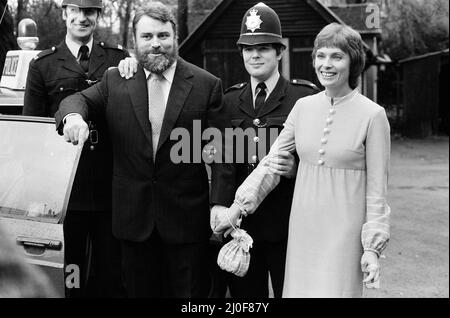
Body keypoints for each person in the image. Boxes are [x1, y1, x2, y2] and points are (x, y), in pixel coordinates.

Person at [55, 1, 234, 298]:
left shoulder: (206, 84)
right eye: (147, 37)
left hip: (186, 224)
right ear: (134, 42)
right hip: (132, 223)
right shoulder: (116, 81)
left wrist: (220, 202)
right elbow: (76, 101)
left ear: (175, 37)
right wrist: (74, 118)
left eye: (163, 36)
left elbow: (223, 149)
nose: (156, 44)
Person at [216, 22, 391, 298]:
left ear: (353, 62)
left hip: (344, 232)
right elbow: (270, 164)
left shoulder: (373, 116)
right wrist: (237, 208)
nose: (326, 64)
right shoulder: (303, 107)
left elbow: (377, 190)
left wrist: (372, 248)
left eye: (337, 56)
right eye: (321, 56)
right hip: (301, 228)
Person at [22, 0, 129, 297]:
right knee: (71, 275)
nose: (82, 18)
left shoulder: (118, 58)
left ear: (98, 15)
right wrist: (38, 194)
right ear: (65, 13)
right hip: (65, 194)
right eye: (76, 10)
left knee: (110, 276)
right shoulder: (42, 65)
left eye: (90, 11)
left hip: (110, 188)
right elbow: (34, 134)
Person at [216, 2, 318, 298]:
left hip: (290, 226)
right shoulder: (230, 100)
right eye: (248, 49)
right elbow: (224, 162)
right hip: (244, 229)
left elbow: (321, 159)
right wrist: (219, 206)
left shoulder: (304, 98)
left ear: (279, 51)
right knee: (247, 300)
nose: (255, 55)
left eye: (263, 47)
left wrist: (298, 170)